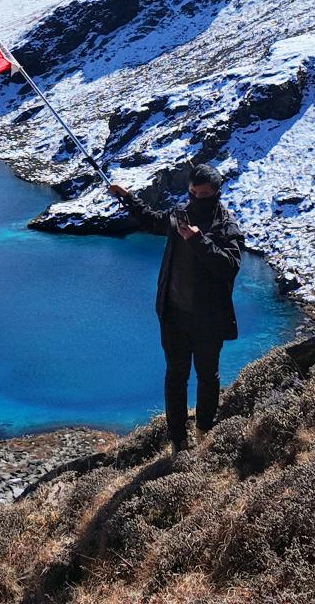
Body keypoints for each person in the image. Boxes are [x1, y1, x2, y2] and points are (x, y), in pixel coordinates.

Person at [107, 165, 242, 455]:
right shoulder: (181, 213)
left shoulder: (225, 226)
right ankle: (178, 439)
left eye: (203, 195)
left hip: (208, 320)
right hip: (174, 314)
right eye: (192, 193)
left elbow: (229, 267)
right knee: (176, 376)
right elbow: (153, 222)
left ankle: (205, 430)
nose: (196, 198)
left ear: (216, 194)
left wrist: (198, 240)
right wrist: (126, 197)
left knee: (208, 376)